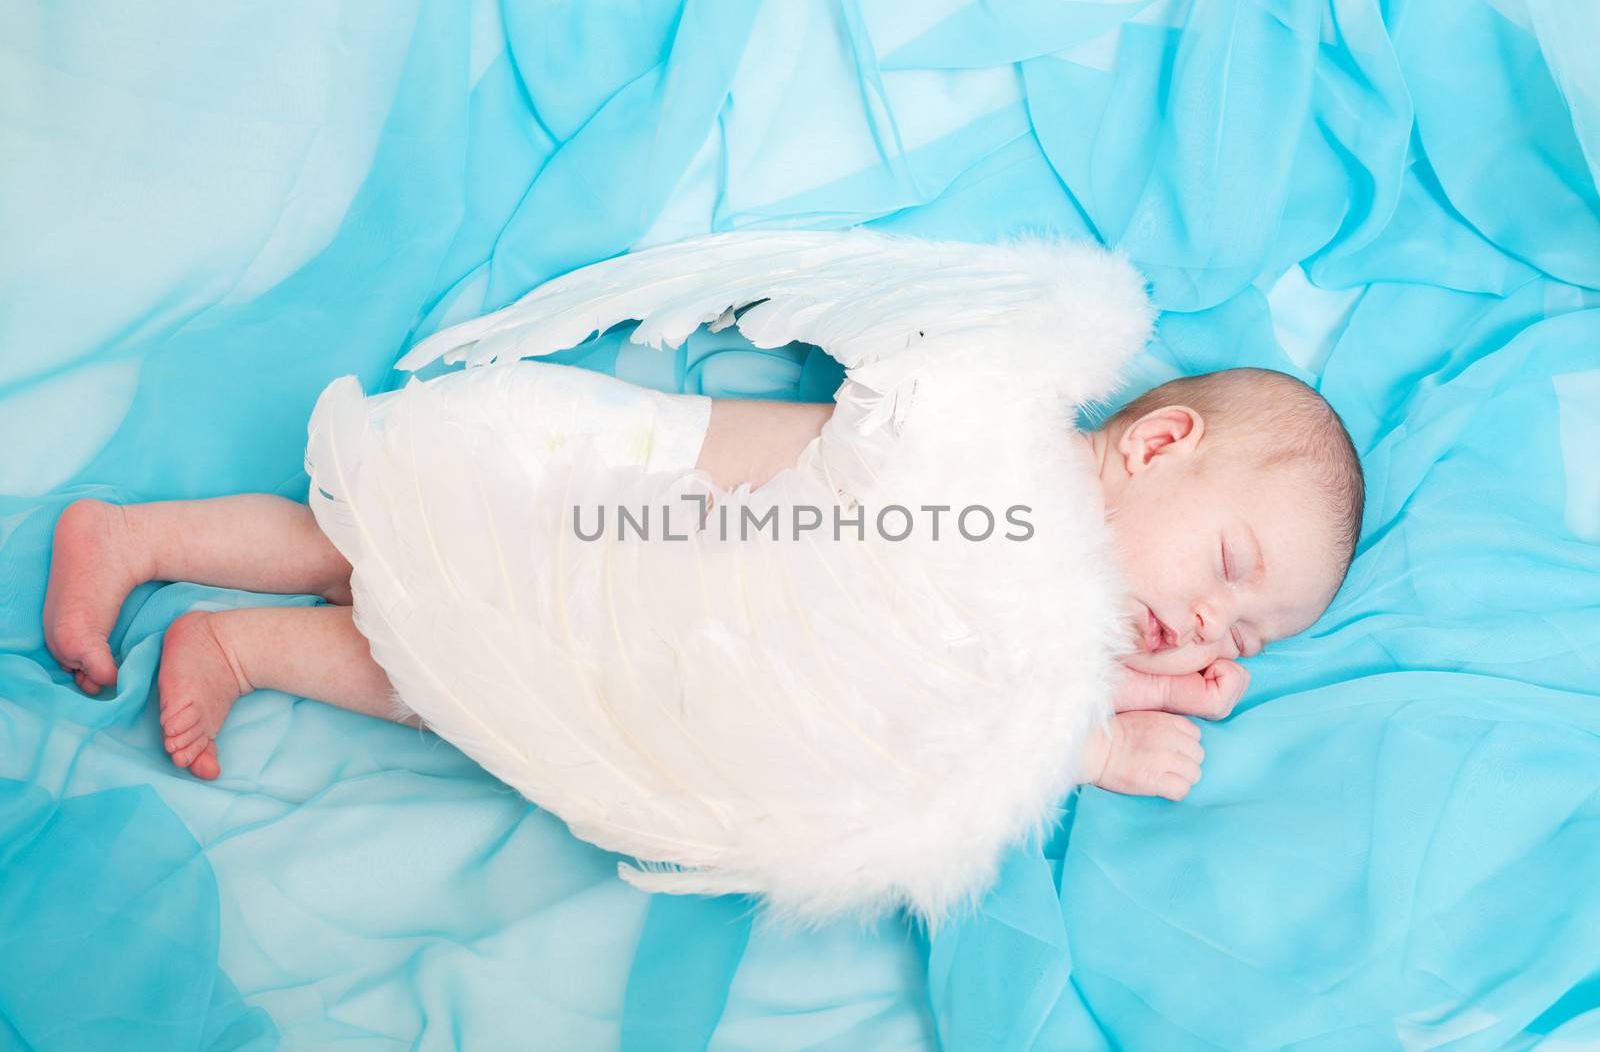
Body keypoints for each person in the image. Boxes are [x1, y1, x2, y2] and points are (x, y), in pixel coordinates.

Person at [41, 364, 1362, 803]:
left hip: (654, 630)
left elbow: (942, 704)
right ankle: (144, 538)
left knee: (455, 670)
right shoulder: (1012, 445)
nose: (1211, 623)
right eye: (1227, 571)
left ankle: (235, 644)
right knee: (383, 537)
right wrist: (1101, 732)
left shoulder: (1059, 594)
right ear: (1159, 442)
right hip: (615, 491)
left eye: (1245, 628)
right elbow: (962, 690)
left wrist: (1114, 687)